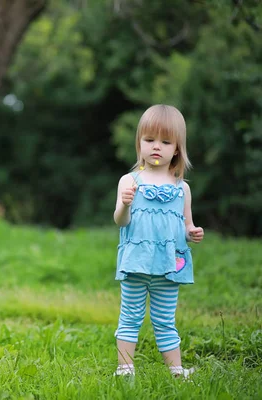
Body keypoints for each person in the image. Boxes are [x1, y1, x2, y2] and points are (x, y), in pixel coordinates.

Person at [112, 104, 204, 378]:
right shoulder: (129, 181)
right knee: (130, 318)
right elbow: (120, 221)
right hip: (136, 265)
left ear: (177, 148)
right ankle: (125, 369)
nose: (156, 147)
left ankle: (177, 371)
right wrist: (125, 205)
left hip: (168, 267)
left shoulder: (181, 188)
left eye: (165, 142)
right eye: (149, 140)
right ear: (139, 142)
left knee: (165, 320)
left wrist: (193, 232)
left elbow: (185, 226)